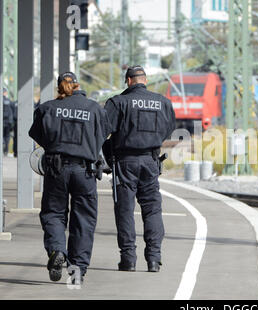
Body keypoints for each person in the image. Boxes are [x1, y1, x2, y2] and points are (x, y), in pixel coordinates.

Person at [29, 72, 110, 283]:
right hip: (85, 170)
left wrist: (56, 146)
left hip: (57, 168)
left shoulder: (47, 108)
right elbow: (103, 135)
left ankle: (57, 250)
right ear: (78, 85)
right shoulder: (94, 109)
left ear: (59, 87)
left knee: (53, 213)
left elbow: (36, 134)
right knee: (83, 219)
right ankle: (78, 270)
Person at [103, 65, 175, 272]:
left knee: (125, 210)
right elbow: (168, 129)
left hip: (124, 163)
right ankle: (154, 259)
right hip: (151, 161)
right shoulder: (163, 103)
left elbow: (102, 131)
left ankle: (128, 260)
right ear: (145, 80)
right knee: (152, 209)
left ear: (128, 81)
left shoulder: (118, 102)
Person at [2, 88, 14, 156]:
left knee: (2, 135)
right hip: (9, 122)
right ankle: (6, 150)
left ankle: (2, 142)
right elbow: (13, 111)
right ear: (5, 93)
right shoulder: (9, 101)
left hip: (2, 121)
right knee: (7, 136)